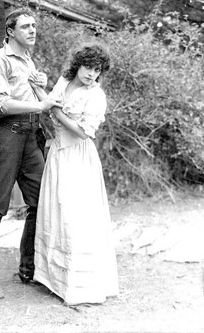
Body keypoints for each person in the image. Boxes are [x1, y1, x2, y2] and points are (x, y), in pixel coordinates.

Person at [0, 7, 63, 299]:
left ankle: (28, 268)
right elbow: (0, 104)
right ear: (10, 31)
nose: (32, 30)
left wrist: (42, 91)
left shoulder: (28, 60)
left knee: (41, 202)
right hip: (6, 135)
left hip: (31, 137)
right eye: (25, 26)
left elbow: (41, 100)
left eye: (34, 26)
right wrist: (39, 106)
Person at [29, 42, 119, 306]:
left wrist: (54, 110)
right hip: (57, 154)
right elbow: (47, 101)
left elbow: (83, 131)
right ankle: (54, 280)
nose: (92, 74)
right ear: (78, 64)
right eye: (88, 68)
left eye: (97, 70)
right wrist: (37, 87)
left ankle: (79, 285)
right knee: (55, 212)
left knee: (74, 216)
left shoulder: (96, 96)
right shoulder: (64, 81)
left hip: (78, 157)